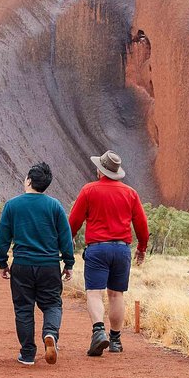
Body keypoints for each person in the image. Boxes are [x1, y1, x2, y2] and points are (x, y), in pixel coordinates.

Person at [68, 150, 149, 357]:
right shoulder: (130, 193)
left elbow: (74, 222)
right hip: (121, 249)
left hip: (97, 249)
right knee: (116, 294)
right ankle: (115, 340)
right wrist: (141, 249)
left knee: (94, 293)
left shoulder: (89, 190)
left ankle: (98, 332)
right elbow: (141, 225)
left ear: (100, 170)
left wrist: (67, 241)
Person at [0, 162, 74, 366]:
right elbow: (65, 237)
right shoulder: (55, 206)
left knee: (23, 308)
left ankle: (28, 353)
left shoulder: (12, 205)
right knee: (52, 304)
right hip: (49, 265)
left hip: (22, 265)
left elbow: (2, 237)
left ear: (29, 180)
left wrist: (2, 262)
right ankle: (50, 334)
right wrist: (68, 262)